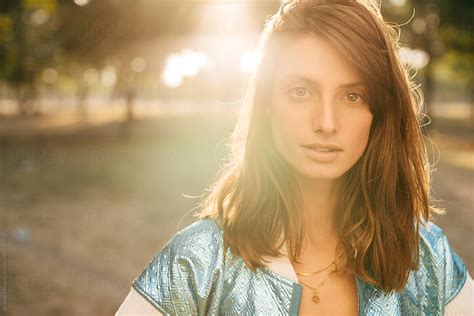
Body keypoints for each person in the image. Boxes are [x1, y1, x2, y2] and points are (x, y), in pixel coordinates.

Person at [116, 0, 473, 315]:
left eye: (352, 96)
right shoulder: (197, 262)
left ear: (378, 113)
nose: (326, 123)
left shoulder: (427, 259)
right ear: (268, 104)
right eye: (301, 92)